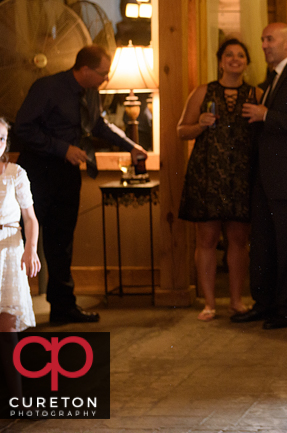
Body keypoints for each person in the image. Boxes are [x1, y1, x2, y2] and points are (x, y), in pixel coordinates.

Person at [15, 45, 148, 324]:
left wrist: (131, 145)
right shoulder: (47, 87)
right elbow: (23, 129)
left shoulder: (90, 91)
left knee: (62, 242)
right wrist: (61, 148)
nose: (105, 78)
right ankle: (13, 311)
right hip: (38, 172)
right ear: (85, 69)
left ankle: (63, 308)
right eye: (102, 73)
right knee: (24, 240)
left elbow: (98, 125)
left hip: (67, 174)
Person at [232, 23, 287, 330]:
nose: (264, 44)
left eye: (270, 39)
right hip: (267, 177)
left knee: (286, 245)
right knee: (264, 243)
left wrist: (266, 115)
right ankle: (264, 302)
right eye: (262, 39)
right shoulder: (272, 79)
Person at [177, 39, 257, 322]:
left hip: (241, 176)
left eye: (240, 55)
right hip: (208, 175)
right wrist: (198, 125)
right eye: (229, 55)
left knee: (238, 240)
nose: (235, 59)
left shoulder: (256, 93)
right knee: (207, 239)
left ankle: (236, 301)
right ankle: (209, 303)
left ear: (246, 61)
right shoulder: (203, 91)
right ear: (220, 61)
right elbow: (181, 131)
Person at [0, 117, 40, 407]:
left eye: (1, 139)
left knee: (8, 329)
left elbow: (30, 218)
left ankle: (17, 399)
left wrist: (31, 249)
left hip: (9, 251)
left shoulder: (14, 173)